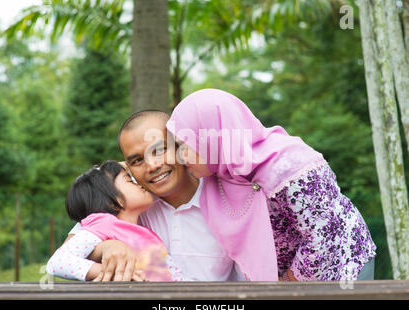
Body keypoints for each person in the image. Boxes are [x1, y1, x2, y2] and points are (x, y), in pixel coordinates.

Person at [166, 88, 377, 281]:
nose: (180, 156)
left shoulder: (291, 164)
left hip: (343, 265)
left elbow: (323, 233)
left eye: (185, 145)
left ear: (213, 137)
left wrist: (286, 283)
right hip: (284, 285)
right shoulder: (219, 178)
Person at [57, 111, 245, 282]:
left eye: (160, 150)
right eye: (138, 160)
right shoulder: (133, 204)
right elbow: (70, 247)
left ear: (180, 147)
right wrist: (106, 247)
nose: (152, 165)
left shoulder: (225, 195)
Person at [46, 160, 188, 281]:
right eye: (129, 180)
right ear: (114, 201)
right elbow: (57, 262)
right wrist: (108, 272)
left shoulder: (138, 228)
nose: (138, 183)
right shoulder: (104, 223)